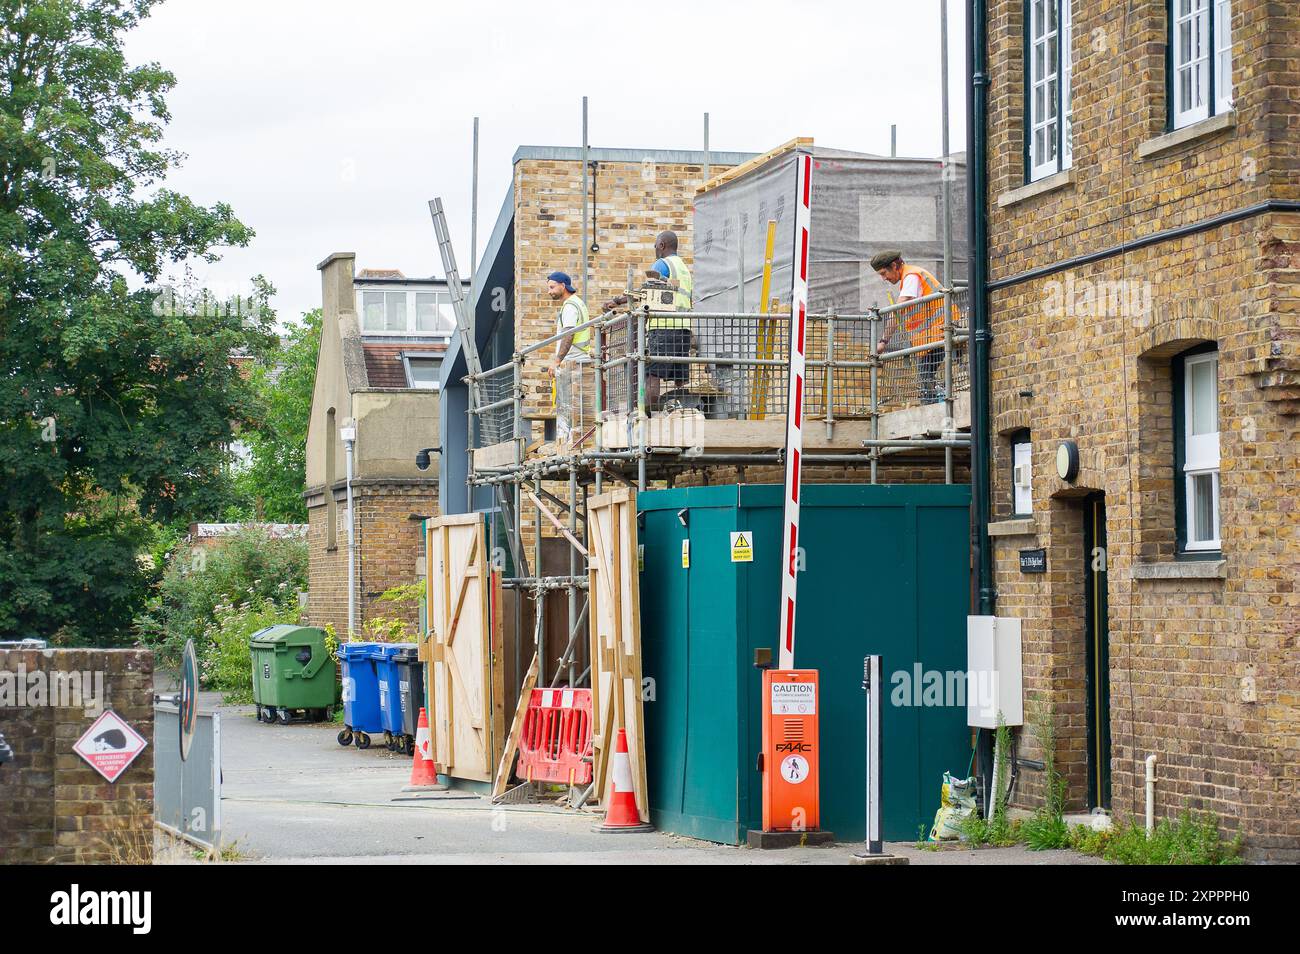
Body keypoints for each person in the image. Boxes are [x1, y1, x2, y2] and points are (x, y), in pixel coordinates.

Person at [604, 230, 693, 408]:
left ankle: (648, 418)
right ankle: (681, 415)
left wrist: (616, 301)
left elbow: (647, 293)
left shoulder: (662, 264)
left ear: (662, 245)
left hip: (662, 327)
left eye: (655, 246)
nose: (655, 250)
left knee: (652, 375)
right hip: (683, 327)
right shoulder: (682, 268)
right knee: (679, 378)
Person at [871, 250, 949, 404]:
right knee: (925, 376)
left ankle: (932, 410)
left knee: (925, 375)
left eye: (883, 273)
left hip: (939, 331)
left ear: (894, 265)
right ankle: (934, 404)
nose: (884, 278)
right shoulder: (910, 276)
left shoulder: (911, 277)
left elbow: (897, 312)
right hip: (932, 334)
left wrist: (883, 342)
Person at [545, 271, 591, 376]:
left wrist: (557, 361)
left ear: (562, 286)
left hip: (573, 360)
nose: (549, 291)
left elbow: (568, 335)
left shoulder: (570, 306)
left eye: (552, 287)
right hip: (578, 358)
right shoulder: (577, 302)